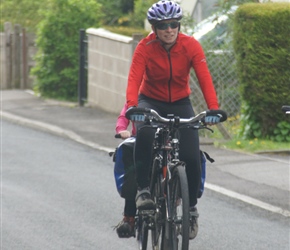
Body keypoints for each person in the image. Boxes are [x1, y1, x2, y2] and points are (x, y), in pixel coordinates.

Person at [125, 0, 220, 240]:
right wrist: (133, 107)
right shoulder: (145, 47)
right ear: (155, 27)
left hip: (180, 102)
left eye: (174, 24)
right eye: (163, 25)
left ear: (179, 25)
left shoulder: (191, 46)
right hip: (150, 100)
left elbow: (205, 78)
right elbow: (134, 78)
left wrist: (213, 109)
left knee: (190, 154)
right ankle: (145, 190)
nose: (169, 29)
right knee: (145, 133)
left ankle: (191, 208)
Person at [115, 102, 137, 238]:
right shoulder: (138, 97)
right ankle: (129, 217)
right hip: (140, 141)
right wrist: (122, 129)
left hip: (166, 141)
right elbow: (124, 115)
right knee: (133, 172)